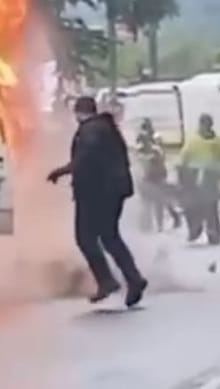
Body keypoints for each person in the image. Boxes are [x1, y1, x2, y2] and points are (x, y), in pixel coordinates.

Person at [47, 95, 148, 307]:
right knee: (110, 236)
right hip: (112, 191)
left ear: (79, 112)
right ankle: (133, 279)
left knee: (85, 238)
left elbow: (85, 159)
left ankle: (107, 281)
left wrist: (61, 171)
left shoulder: (91, 130)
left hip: (97, 193)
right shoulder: (105, 127)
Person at [178, 114, 220, 246]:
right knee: (192, 205)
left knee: (211, 206)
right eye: (203, 124)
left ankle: (213, 232)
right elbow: (183, 159)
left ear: (210, 125)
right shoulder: (193, 142)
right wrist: (182, 174)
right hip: (193, 177)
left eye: (207, 124)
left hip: (210, 178)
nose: (204, 127)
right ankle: (194, 229)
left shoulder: (219, 142)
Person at [135, 119, 181, 233]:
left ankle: (160, 223)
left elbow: (158, 155)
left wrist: (148, 159)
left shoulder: (154, 141)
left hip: (156, 174)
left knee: (158, 199)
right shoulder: (144, 140)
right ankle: (150, 224)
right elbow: (140, 156)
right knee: (155, 199)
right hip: (151, 174)